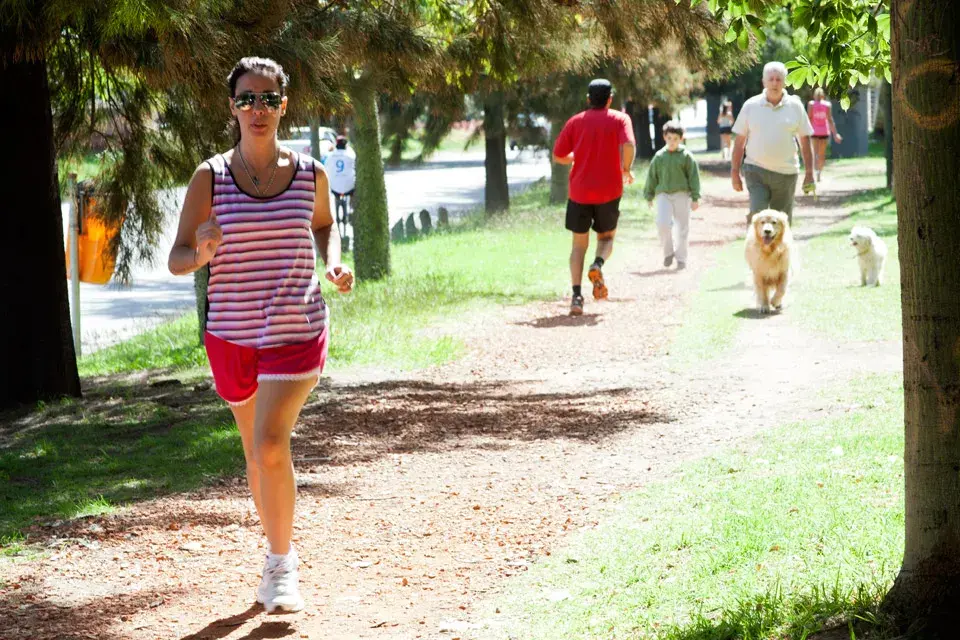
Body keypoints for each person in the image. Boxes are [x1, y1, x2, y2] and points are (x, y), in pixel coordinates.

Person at [167, 56, 354, 614]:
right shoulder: (211, 177)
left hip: (296, 327)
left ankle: (281, 567)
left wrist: (335, 262)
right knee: (257, 452)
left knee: (271, 444)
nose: (258, 109)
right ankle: (275, 558)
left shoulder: (310, 173)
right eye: (247, 98)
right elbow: (177, 257)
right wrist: (199, 252)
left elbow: (324, 226)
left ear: (284, 105)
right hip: (230, 334)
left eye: (269, 99)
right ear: (232, 106)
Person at [553, 78, 635, 316]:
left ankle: (577, 297)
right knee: (606, 238)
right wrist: (626, 168)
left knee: (579, 245)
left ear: (588, 99)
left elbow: (559, 155)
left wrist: (574, 158)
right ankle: (597, 264)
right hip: (609, 190)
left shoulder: (575, 121)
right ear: (610, 99)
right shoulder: (620, 119)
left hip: (579, 191)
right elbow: (628, 144)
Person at [730, 61, 815, 225]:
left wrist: (809, 173)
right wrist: (734, 172)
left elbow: (805, 141)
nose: (775, 83)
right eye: (771, 79)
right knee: (757, 215)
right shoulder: (751, 106)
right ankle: (757, 250)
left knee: (781, 222)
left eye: (778, 79)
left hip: (786, 173)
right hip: (756, 170)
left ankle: (780, 251)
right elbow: (739, 142)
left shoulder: (795, 106)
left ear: (784, 82)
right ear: (764, 82)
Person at [644, 120, 701, 270]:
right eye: (669, 138)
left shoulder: (686, 156)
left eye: (675, 139)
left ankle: (681, 258)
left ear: (681, 139)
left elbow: (694, 177)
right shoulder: (659, 156)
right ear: (664, 137)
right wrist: (649, 195)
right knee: (662, 223)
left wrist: (695, 197)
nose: (672, 142)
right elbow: (652, 177)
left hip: (682, 194)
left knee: (682, 227)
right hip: (664, 195)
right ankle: (668, 252)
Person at [323, 135, 357, 237]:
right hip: (349, 187)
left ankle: (337, 220)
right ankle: (352, 208)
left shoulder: (330, 156)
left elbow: (326, 168)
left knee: (335, 191)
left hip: (335, 188)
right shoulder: (351, 155)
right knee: (354, 190)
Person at [807, 87, 843, 181]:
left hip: (814, 132)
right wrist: (835, 134)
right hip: (824, 132)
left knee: (815, 153)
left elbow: (809, 118)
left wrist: (806, 131)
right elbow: (830, 120)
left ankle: (816, 171)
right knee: (822, 153)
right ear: (823, 95)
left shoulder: (811, 104)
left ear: (814, 95)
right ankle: (819, 171)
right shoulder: (827, 105)